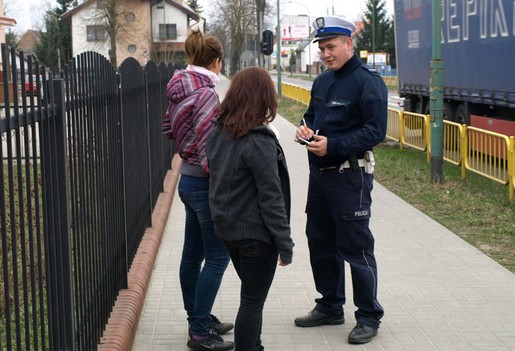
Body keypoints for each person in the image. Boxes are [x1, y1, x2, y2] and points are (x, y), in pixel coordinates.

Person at [293, 15, 387, 345]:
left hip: (350, 177)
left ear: (349, 43)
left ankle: (368, 316)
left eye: (331, 47)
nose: (325, 54)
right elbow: (311, 116)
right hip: (320, 178)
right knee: (320, 243)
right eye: (321, 49)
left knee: (356, 247)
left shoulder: (368, 82)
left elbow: (376, 131)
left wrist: (333, 145)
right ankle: (330, 305)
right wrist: (304, 131)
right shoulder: (322, 82)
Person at [206, 67, 294, 351]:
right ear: (263, 97)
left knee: (251, 298)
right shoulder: (258, 140)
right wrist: (285, 243)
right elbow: (272, 198)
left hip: (227, 229)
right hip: (256, 235)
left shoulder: (219, 132)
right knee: (252, 303)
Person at [162, 29, 234, 351]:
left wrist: (186, 140)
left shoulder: (178, 89)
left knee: (193, 255)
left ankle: (198, 317)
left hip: (186, 181)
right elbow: (210, 150)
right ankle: (200, 332)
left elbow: (167, 128)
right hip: (205, 184)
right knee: (218, 257)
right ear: (216, 62)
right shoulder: (205, 94)